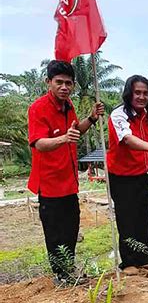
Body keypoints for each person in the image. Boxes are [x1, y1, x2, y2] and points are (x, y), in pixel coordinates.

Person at [27, 60, 104, 284]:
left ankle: (69, 269)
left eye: (68, 83)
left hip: (69, 181)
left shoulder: (68, 105)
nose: (64, 87)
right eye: (59, 82)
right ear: (48, 82)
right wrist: (64, 139)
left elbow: (75, 130)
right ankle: (61, 276)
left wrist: (90, 118)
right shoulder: (38, 108)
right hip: (49, 183)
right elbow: (38, 143)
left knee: (71, 228)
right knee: (55, 231)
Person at [107, 75, 148, 275]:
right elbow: (127, 139)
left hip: (141, 174)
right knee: (126, 218)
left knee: (143, 217)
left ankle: (145, 258)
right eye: (137, 92)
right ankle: (129, 263)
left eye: (145, 93)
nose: (141, 97)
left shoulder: (147, 115)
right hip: (121, 176)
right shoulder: (119, 114)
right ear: (129, 93)